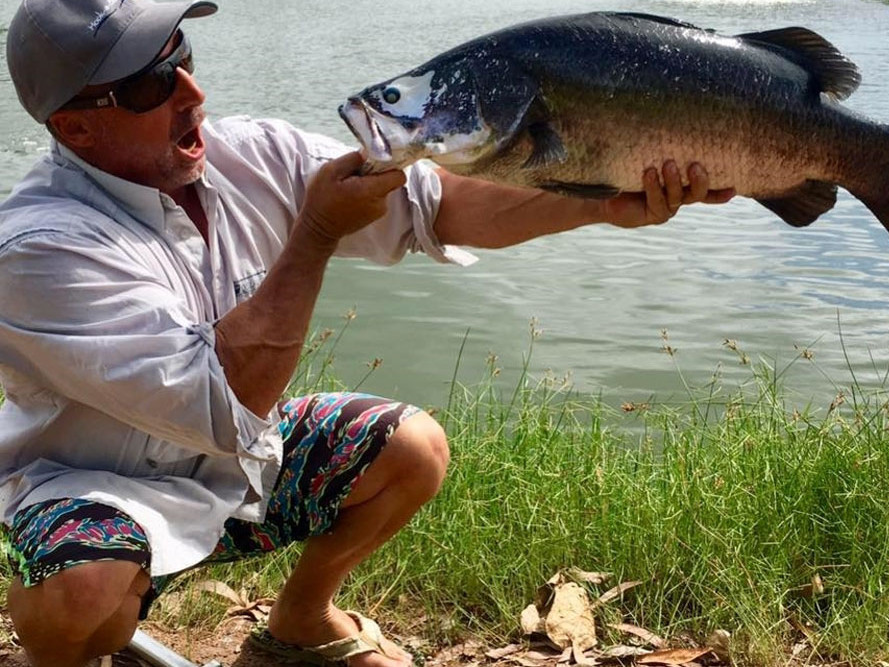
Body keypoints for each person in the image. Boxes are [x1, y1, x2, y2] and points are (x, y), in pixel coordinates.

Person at [0, 1, 734, 666]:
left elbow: (438, 205)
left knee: (412, 449)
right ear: (74, 126)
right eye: (148, 86)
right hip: (91, 485)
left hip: (236, 463)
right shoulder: (39, 248)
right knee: (81, 594)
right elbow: (226, 396)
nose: (191, 92)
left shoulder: (252, 152)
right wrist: (315, 233)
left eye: (182, 56)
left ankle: (299, 620)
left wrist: (603, 202)